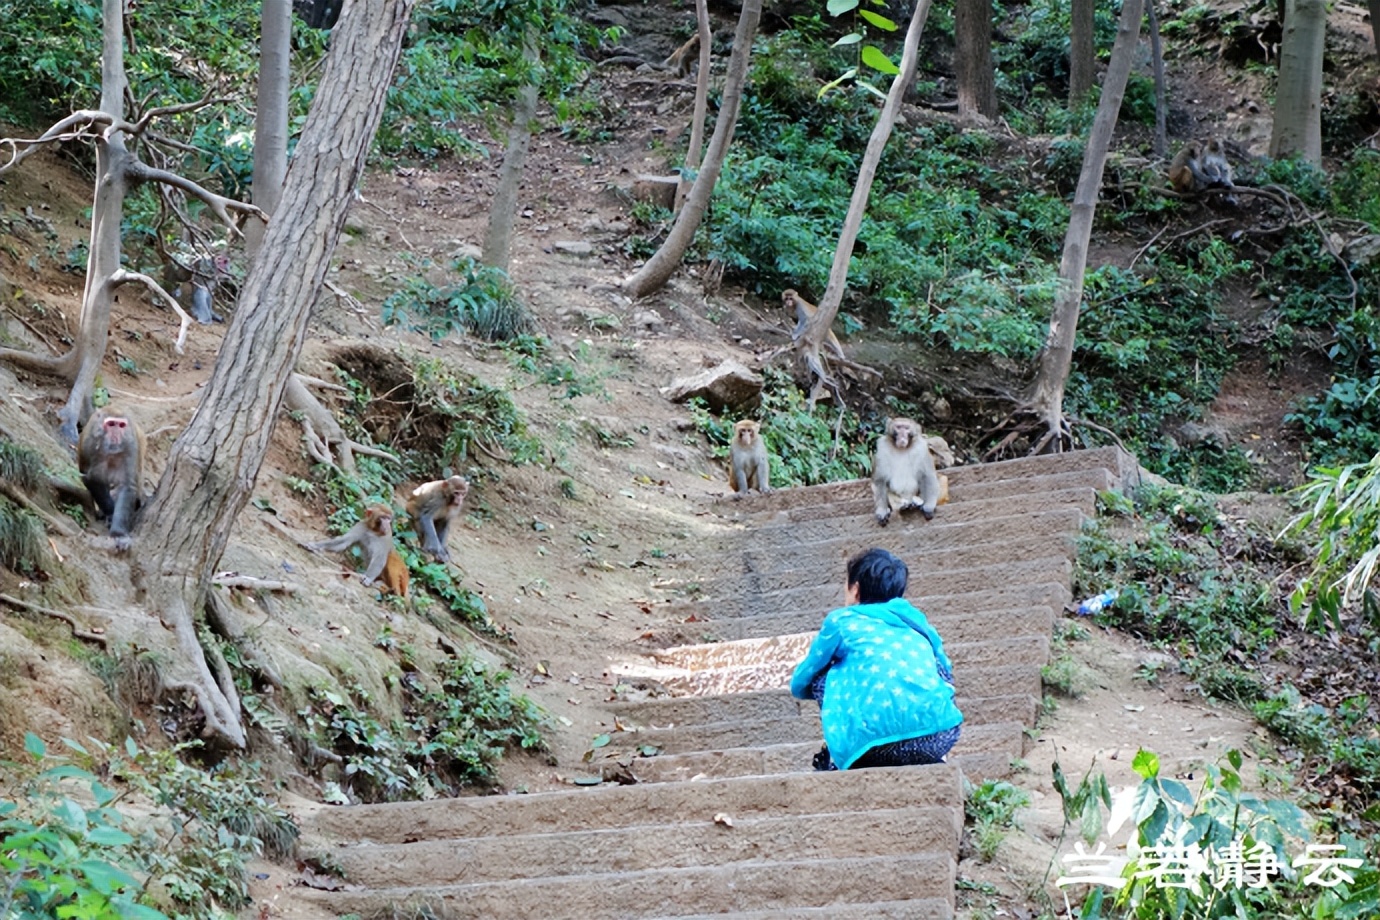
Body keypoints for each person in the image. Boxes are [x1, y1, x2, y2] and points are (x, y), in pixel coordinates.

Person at [789, 547, 963, 770]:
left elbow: (800, 683)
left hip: (870, 747)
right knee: (938, 669)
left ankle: (847, 750)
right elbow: (947, 670)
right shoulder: (919, 624)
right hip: (938, 737)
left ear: (856, 590)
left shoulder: (842, 620)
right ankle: (929, 754)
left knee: (821, 677)